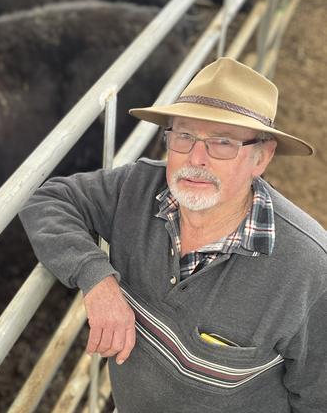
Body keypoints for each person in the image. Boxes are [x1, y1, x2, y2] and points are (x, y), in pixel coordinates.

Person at [19, 57, 326, 412]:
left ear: (261, 157)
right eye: (184, 135)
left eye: (222, 142)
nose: (196, 157)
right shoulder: (136, 188)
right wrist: (97, 279)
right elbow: (49, 200)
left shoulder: (308, 269)